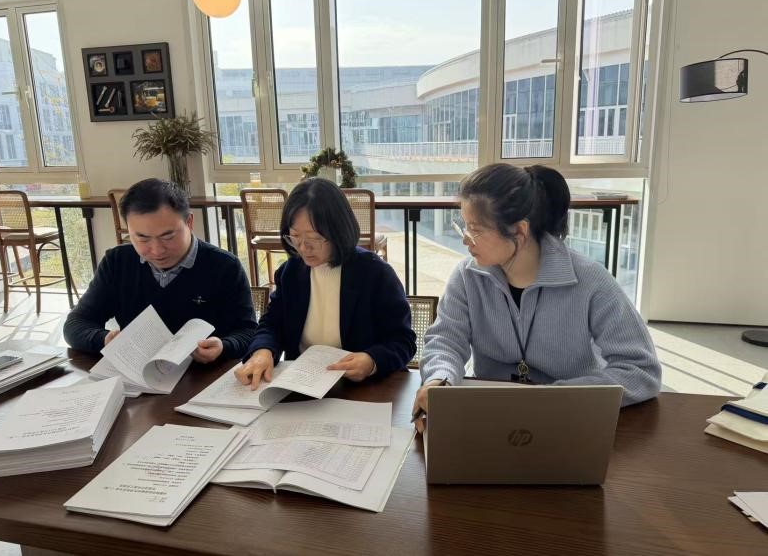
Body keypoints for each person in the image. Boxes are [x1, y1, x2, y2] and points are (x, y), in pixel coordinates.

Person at [413, 164, 661, 431]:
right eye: (464, 226)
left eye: (475, 229)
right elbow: (446, 340)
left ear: (519, 231)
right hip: (490, 414)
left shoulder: (590, 281)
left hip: (568, 419)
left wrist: (552, 398)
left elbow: (640, 370)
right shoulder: (467, 275)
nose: (465, 239)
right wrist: (440, 380)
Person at [236, 178, 415, 389]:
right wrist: (262, 350)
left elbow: (403, 341)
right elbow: (272, 324)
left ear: (339, 231)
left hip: (361, 389)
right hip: (302, 386)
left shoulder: (375, 274)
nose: (304, 248)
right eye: (295, 236)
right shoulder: (290, 273)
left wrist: (371, 361)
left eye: (314, 238)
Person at [64, 178, 256, 362]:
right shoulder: (117, 262)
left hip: (204, 375)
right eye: (142, 238)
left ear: (189, 222)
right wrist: (105, 340)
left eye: (168, 236)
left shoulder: (224, 266)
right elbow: (76, 324)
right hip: (139, 377)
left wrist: (224, 346)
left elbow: (248, 332)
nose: (156, 250)